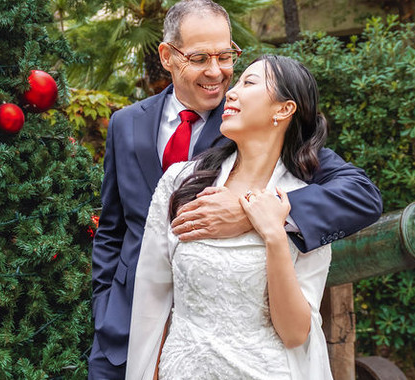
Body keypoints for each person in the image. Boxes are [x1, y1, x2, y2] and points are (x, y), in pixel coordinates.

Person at [89, 1, 383, 378]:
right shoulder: (125, 124)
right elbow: (112, 230)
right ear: (167, 56)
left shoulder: (266, 136)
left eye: (226, 56)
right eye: (199, 58)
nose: (218, 73)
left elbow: (361, 194)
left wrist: (252, 213)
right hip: (127, 331)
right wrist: (105, 308)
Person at [128, 54, 341, 379]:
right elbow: (151, 301)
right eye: (237, 82)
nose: (231, 91)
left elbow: (296, 334)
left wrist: (273, 235)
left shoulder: (302, 204)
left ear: (283, 109)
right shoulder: (181, 182)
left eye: (250, 83)